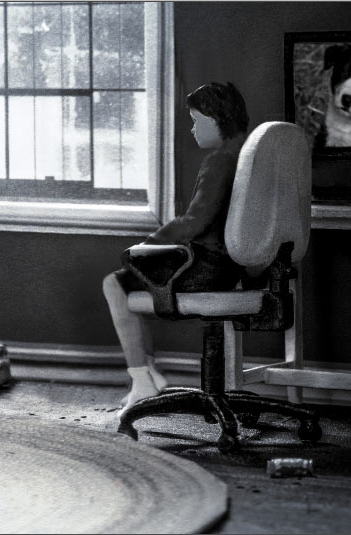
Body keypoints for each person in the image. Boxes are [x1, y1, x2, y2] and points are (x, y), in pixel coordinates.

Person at [103, 82, 251, 417]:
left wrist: (150, 243)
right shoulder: (248, 155)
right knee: (128, 283)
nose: (193, 129)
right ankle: (148, 375)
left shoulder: (220, 160)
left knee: (115, 283)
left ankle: (141, 377)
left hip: (204, 267)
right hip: (231, 266)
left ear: (215, 120)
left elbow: (195, 221)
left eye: (196, 121)